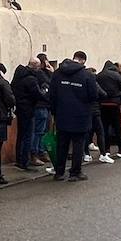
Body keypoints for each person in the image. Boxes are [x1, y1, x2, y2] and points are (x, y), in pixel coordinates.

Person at [48, 51, 100, 181]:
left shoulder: (57, 74)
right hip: (80, 115)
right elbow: (94, 96)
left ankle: (59, 172)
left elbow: (52, 95)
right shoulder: (87, 75)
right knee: (78, 145)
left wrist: (54, 112)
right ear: (83, 61)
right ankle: (75, 172)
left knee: (62, 144)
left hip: (62, 114)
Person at [12, 58, 49, 171]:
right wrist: (45, 91)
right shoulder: (31, 79)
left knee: (21, 135)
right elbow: (38, 95)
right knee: (28, 136)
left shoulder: (18, 76)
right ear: (36, 67)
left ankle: (19, 159)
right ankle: (24, 162)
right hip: (28, 109)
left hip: (20, 108)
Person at [96, 61, 121, 159]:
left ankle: (106, 150)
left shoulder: (99, 75)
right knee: (117, 127)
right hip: (115, 103)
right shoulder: (116, 75)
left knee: (104, 128)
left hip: (102, 104)